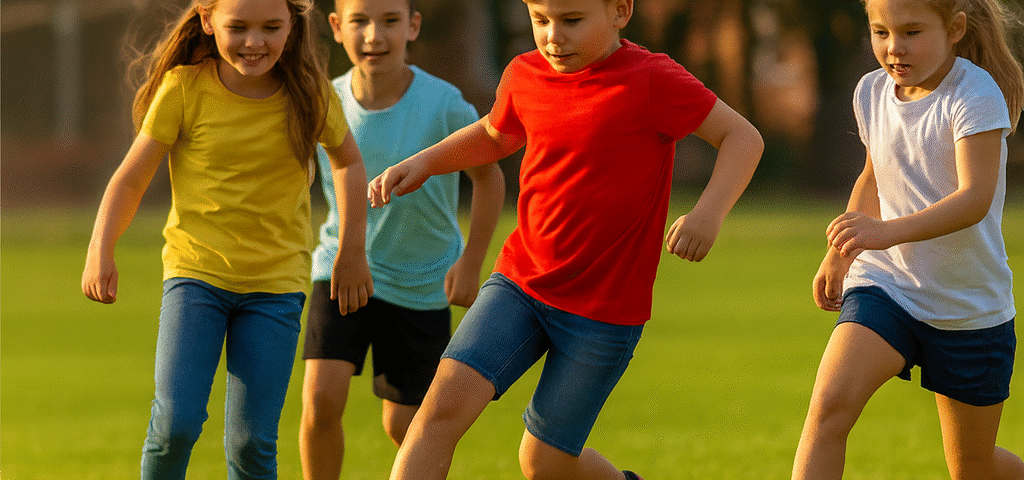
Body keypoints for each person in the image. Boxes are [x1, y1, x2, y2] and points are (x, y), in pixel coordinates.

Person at [368, 0, 764, 478]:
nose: (553, 36)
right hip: (520, 284)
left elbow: (742, 137)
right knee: (438, 410)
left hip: (603, 313)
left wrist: (708, 214)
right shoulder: (524, 74)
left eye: (571, 21)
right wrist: (426, 162)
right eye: (540, 21)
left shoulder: (651, 78)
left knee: (543, 462)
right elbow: (496, 136)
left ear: (619, 10)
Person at [80, 0, 372, 477]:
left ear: (291, 24)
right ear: (207, 20)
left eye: (271, 27)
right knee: (176, 421)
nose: (254, 42)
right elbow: (131, 179)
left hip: (275, 288)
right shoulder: (184, 89)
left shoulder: (309, 94)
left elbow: (348, 162)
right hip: (195, 277)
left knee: (250, 440)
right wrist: (100, 248)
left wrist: (352, 250)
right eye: (238, 27)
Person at [793, 0, 1024, 478]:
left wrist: (884, 232)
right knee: (829, 408)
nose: (894, 48)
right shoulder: (872, 92)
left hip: (968, 307)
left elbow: (974, 199)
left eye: (912, 32)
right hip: (887, 285)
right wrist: (840, 254)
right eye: (880, 32)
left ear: (955, 28)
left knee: (972, 468)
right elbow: (874, 177)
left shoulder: (976, 95)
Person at [297, 0, 505, 478]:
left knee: (405, 425)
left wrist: (472, 263)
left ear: (412, 26)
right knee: (321, 400)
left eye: (390, 20)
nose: (375, 35)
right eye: (360, 22)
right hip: (340, 268)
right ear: (336, 27)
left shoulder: (445, 104)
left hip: (422, 280)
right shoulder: (324, 104)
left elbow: (489, 179)